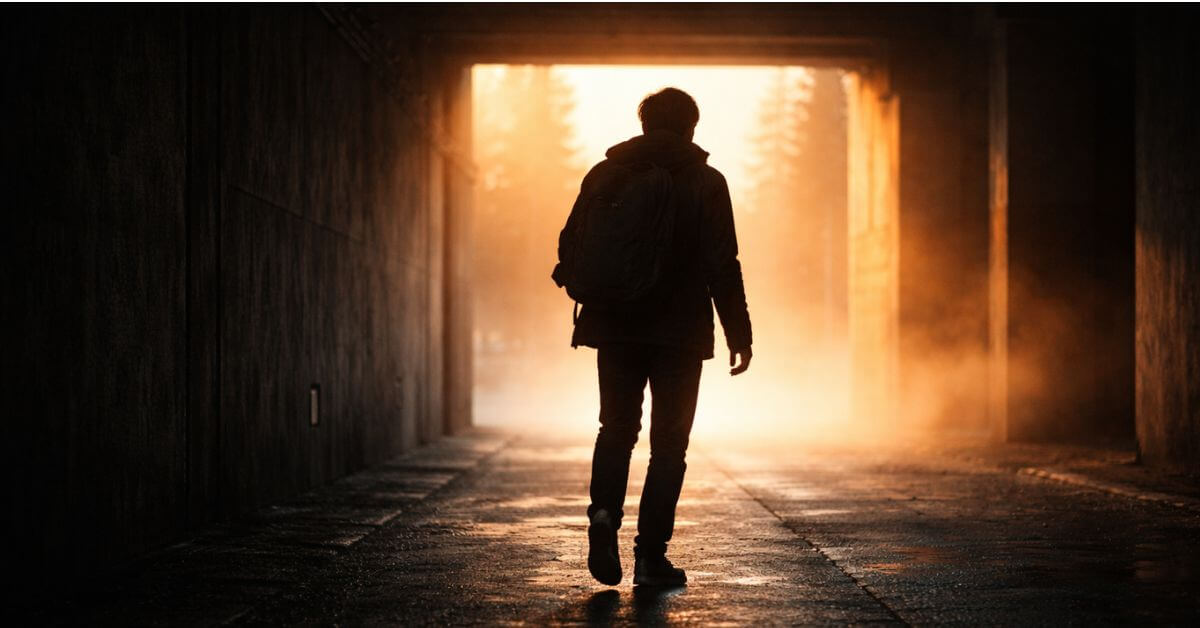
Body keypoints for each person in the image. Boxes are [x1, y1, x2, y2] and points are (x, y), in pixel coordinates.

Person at [558, 87, 753, 587]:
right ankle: (650, 557)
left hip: (616, 324)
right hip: (680, 332)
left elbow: (570, 243)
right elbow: (721, 263)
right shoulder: (708, 182)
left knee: (616, 430)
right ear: (691, 127)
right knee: (669, 446)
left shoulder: (606, 175)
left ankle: (603, 514)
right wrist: (739, 331)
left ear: (643, 126)